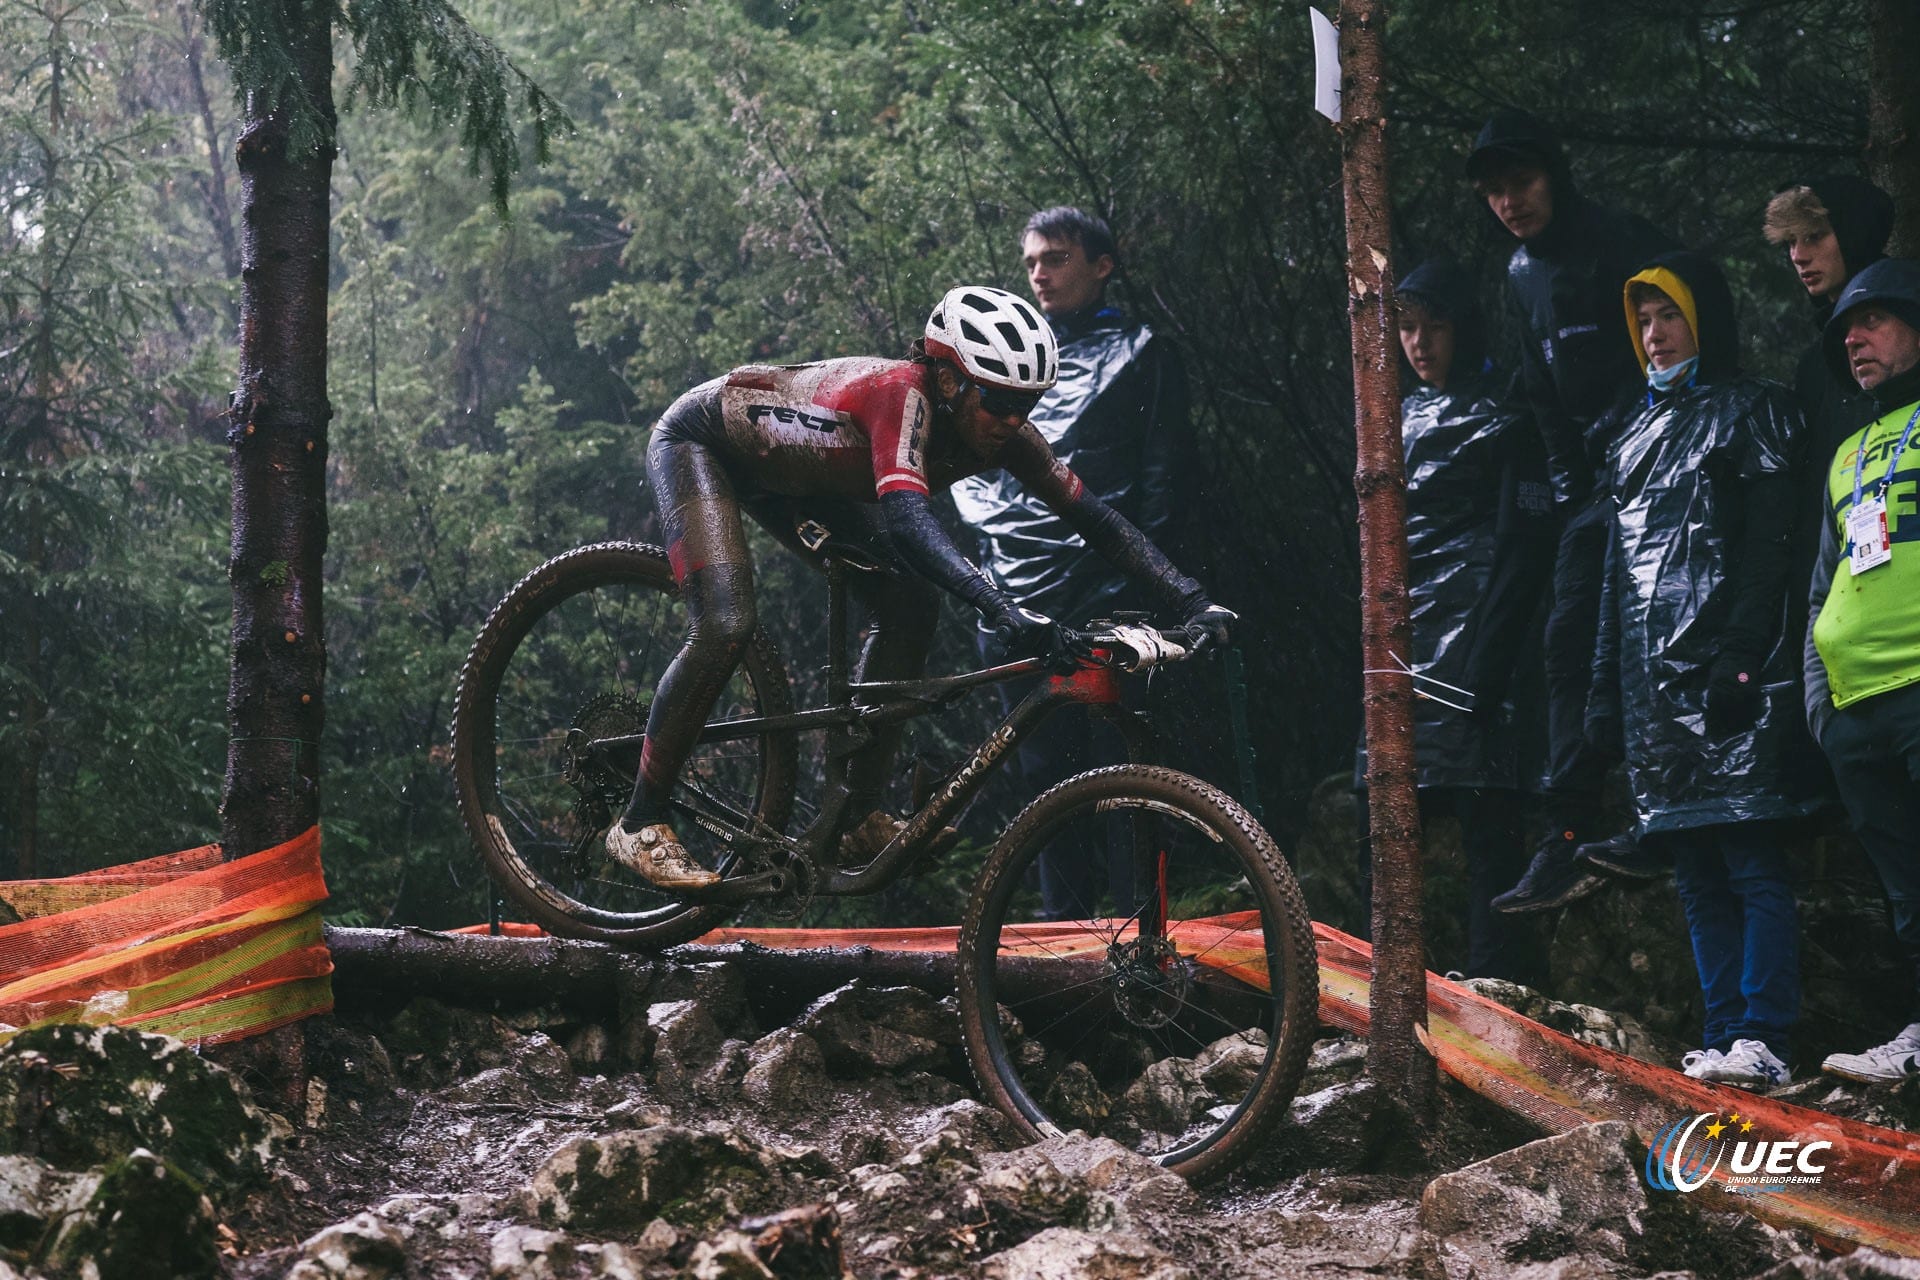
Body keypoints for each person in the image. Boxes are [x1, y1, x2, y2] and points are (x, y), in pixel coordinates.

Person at [607, 284, 1234, 890]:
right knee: (726, 624)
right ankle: (639, 821)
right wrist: (1001, 607)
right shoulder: (901, 396)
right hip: (703, 442)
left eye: (1028, 405)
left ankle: (855, 816)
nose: (1013, 420)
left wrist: (1192, 600)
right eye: (998, 400)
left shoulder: (1003, 432)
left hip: (796, 473)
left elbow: (1095, 519)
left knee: (910, 604)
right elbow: (908, 523)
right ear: (949, 380)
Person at [1590, 252, 1819, 1088]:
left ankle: (1765, 1032)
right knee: (1693, 869)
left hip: (1729, 672)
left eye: (1671, 315)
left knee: (1750, 855)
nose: (1654, 335)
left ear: (1706, 320)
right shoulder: (1629, 435)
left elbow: (1771, 548)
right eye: (1643, 319)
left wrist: (1741, 655)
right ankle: (1722, 1033)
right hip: (1652, 690)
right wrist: (1603, 691)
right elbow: (1618, 577)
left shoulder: (1754, 410)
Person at [952, 208, 1196, 920]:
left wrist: (1148, 584)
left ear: (1102, 265)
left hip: (1112, 594)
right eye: (1031, 261)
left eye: (1056, 258)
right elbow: (969, 475)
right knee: (1043, 772)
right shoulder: (1009, 361)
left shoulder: (1143, 352)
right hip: (1017, 599)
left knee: (1130, 769)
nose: (1040, 274)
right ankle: (1064, 932)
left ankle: (1141, 932)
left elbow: (1166, 479)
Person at [1466, 108, 1681, 914]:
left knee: (1650, 640)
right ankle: (1565, 834)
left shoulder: (1621, 240)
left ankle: (1661, 813)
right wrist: (1569, 485)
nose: (1509, 202)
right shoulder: (1521, 272)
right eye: (1495, 191)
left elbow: (1680, 337)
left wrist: (1648, 445)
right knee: (1567, 641)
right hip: (1591, 487)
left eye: (1520, 182)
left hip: (1659, 466)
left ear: (1552, 175)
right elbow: (1539, 388)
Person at [1353, 259, 1555, 982]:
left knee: (1488, 824)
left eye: (1434, 326)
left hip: (1479, 639)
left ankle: (1497, 991)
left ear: (1464, 328)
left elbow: (1523, 547)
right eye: (1407, 328)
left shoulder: (1508, 413)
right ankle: (1390, 989)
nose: (1420, 343)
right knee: (1384, 821)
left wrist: (1486, 663)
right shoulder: (1390, 419)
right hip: (1401, 641)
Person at [1804, 259, 1920, 1083]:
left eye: (1873, 320)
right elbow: (1823, 582)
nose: (1853, 339)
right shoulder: (1846, 452)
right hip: (1856, 705)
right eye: (1846, 328)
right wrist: (1822, 705)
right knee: (1906, 890)